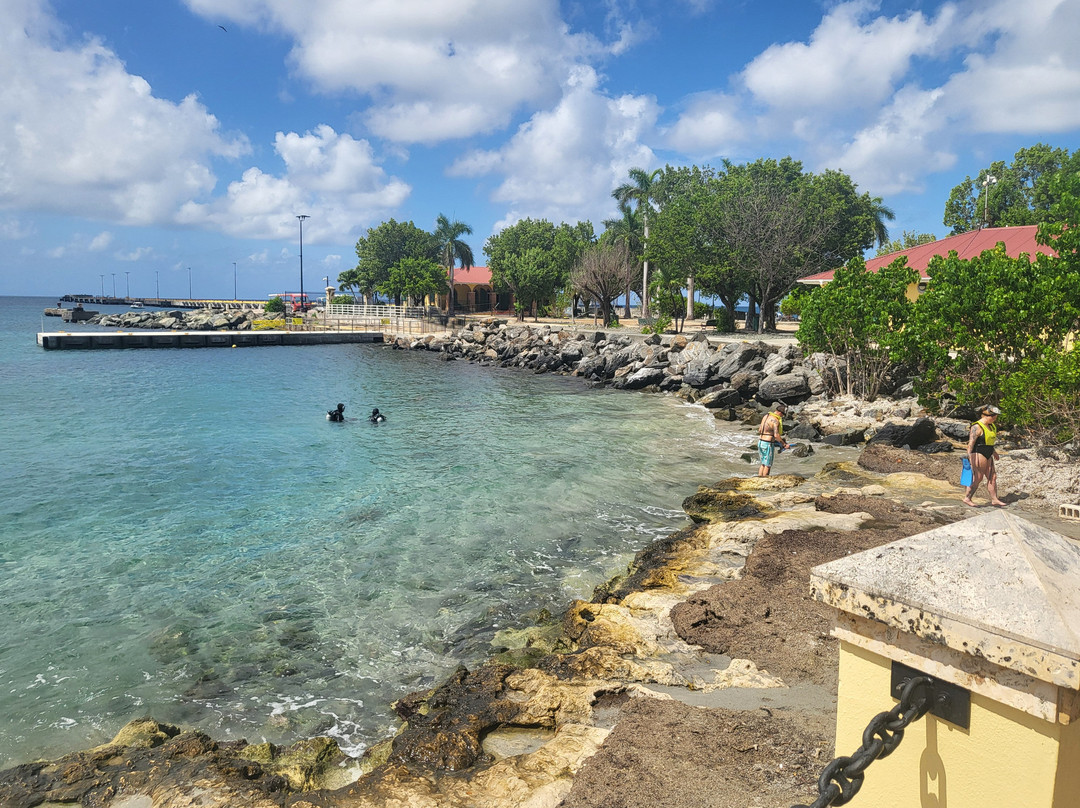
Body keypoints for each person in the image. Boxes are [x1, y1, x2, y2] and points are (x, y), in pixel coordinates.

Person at [963, 404, 1007, 507]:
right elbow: (970, 444)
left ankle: (994, 499)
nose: (994, 419)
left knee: (993, 477)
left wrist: (994, 452)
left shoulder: (991, 426)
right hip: (978, 453)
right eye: (992, 416)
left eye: (995, 417)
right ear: (984, 415)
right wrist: (969, 457)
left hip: (988, 452)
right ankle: (967, 498)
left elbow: (989, 441)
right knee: (978, 477)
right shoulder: (976, 426)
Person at [757, 402, 790, 477]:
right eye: (783, 414)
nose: (782, 416)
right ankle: (765, 480)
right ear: (779, 412)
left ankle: (759, 478)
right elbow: (776, 435)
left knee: (763, 464)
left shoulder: (766, 416)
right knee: (768, 465)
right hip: (768, 444)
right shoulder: (775, 421)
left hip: (760, 442)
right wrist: (784, 444)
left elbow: (759, 430)